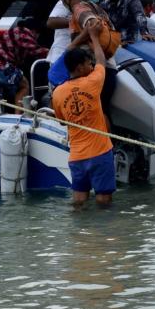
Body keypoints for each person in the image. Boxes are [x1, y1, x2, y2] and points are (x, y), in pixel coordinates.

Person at [52, 26, 116, 207]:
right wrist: (95, 37)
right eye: (89, 63)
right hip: (100, 153)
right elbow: (102, 61)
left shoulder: (57, 93)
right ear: (80, 67)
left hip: (77, 157)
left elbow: (61, 121)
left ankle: (79, 234)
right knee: (104, 200)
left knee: (79, 201)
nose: (91, 65)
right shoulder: (92, 82)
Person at [0, 19, 49, 108]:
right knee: (24, 85)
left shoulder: (12, 32)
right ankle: (19, 116)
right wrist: (55, 53)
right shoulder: (24, 32)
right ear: (35, 31)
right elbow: (37, 51)